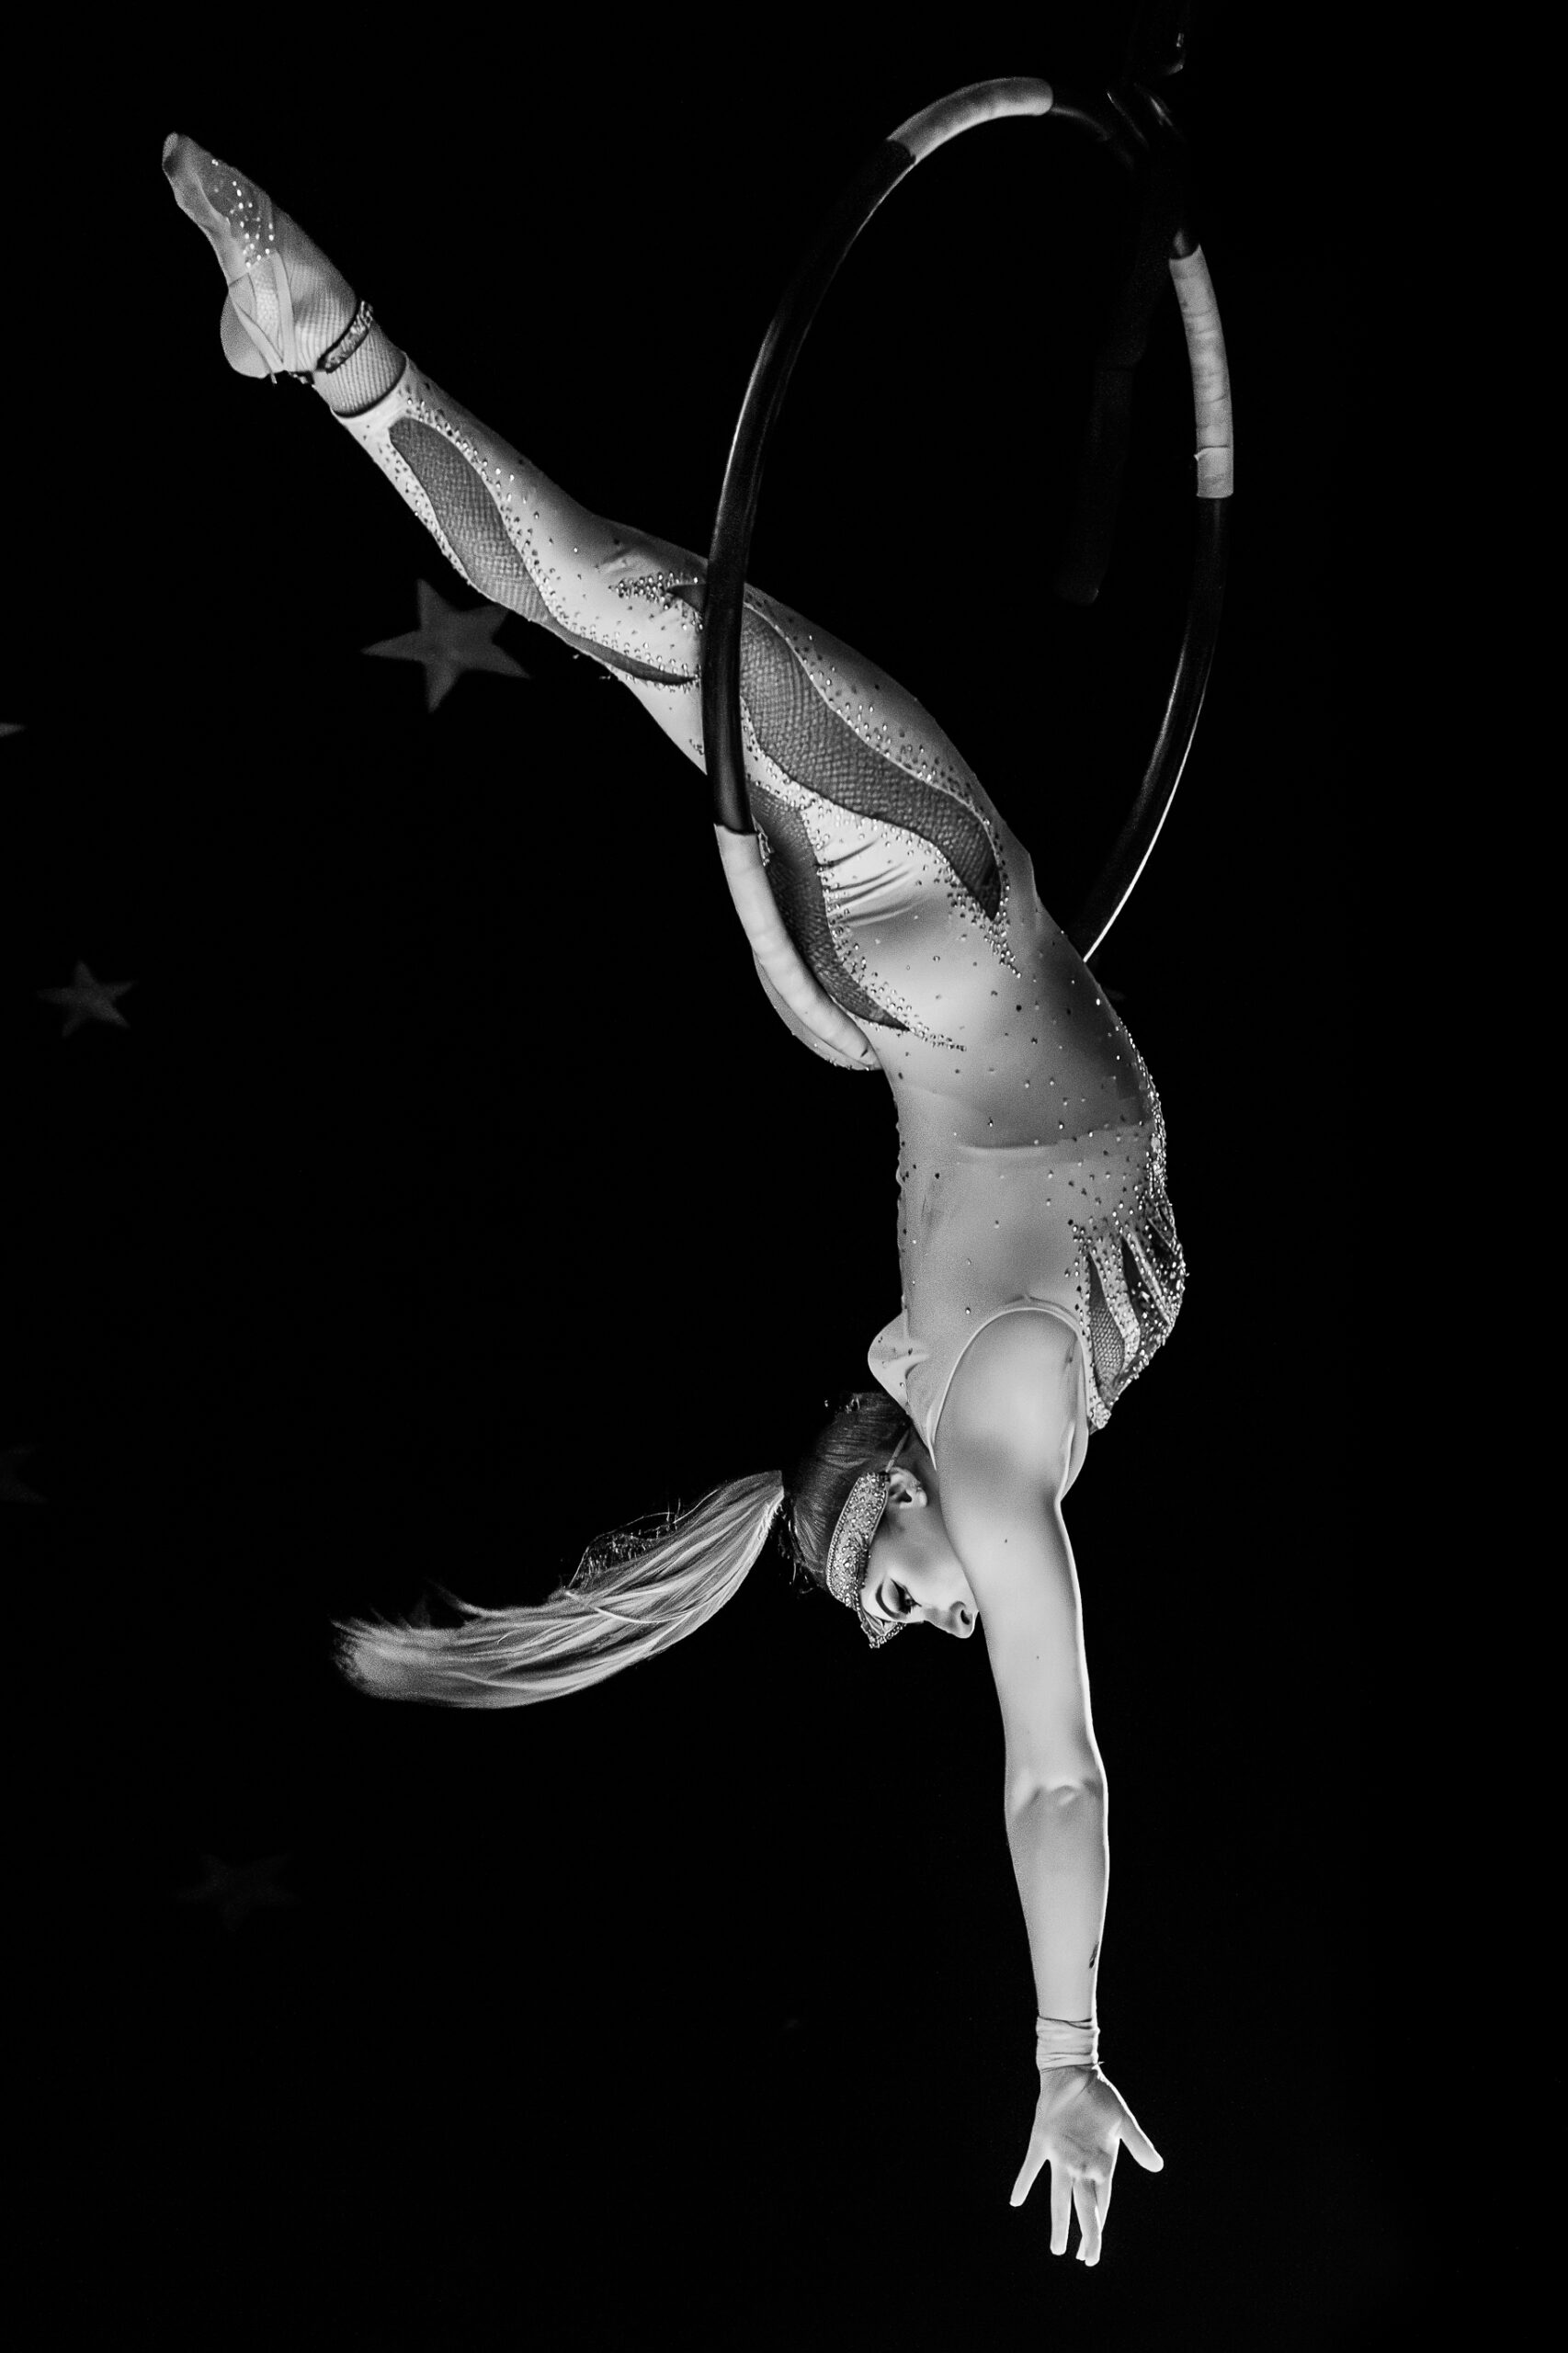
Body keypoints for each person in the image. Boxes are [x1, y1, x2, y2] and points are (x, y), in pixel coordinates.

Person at [163, 131, 1175, 2265]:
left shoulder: (985, 1403)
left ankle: (327, 343)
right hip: (925, 937)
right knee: (614, 603)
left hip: (921, 915)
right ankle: (323, 348)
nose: (938, 1617)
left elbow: (1051, 1766)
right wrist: (1062, 2041)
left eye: (888, 1592)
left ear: (882, 1476)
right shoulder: (978, 1409)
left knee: (624, 600)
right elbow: (1053, 1762)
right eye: (918, 1612)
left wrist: (1069, 2038)